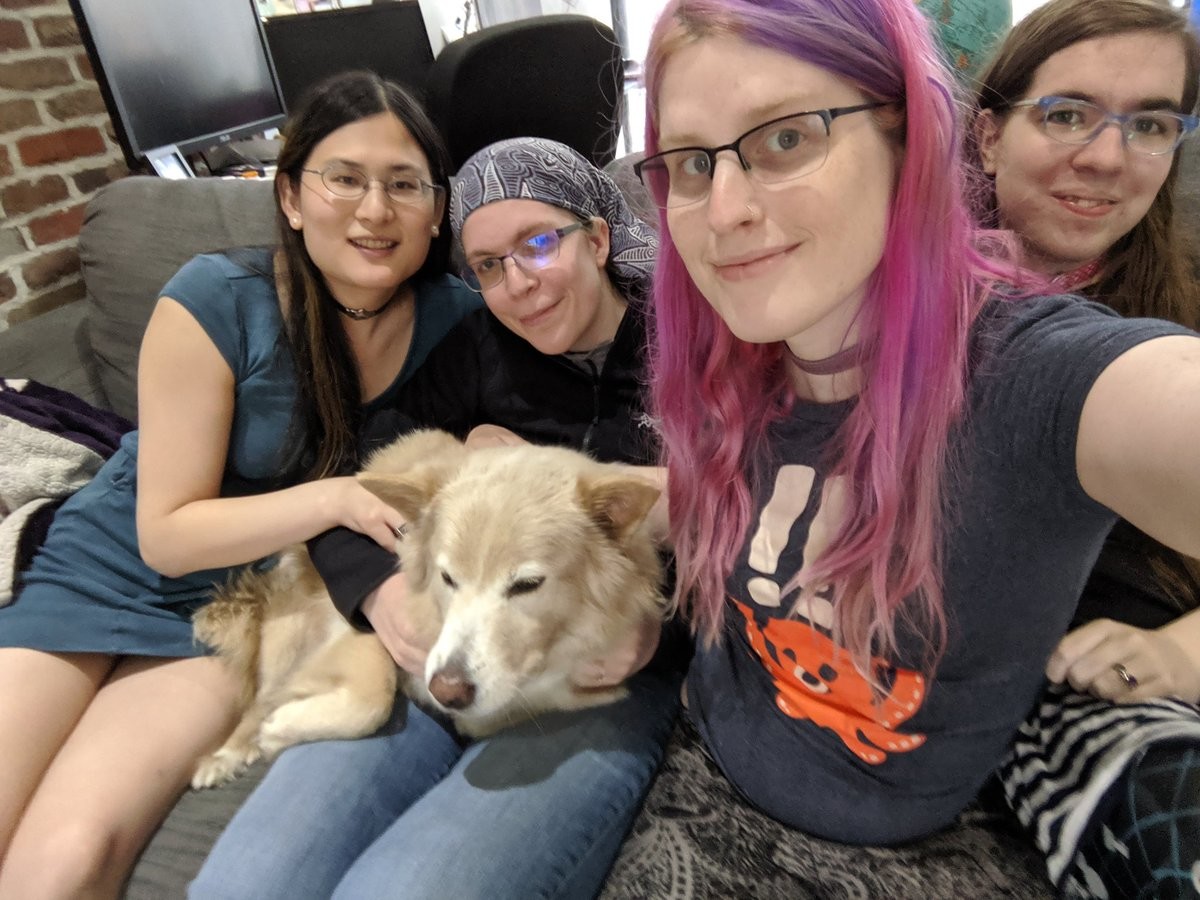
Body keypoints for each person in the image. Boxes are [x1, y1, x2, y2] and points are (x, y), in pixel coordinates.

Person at [632, 0, 1200, 866]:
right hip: (688, 755)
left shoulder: (1036, 373)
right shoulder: (734, 356)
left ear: (913, 139)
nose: (724, 210)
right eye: (691, 162)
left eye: (785, 138)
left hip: (876, 853)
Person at [0, 71, 479, 898]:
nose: (375, 209)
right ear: (290, 196)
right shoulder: (215, 298)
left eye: (405, 185)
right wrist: (334, 498)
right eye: (345, 178)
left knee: (68, 860)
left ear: (437, 210)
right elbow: (167, 532)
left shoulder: (459, 320)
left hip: (240, 602)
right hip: (113, 561)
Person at [190, 137, 684, 900]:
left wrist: (658, 633)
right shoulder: (479, 348)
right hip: (436, 647)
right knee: (247, 885)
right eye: (487, 265)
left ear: (598, 237)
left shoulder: (692, 344)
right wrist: (378, 595)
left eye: (539, 244)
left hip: (594, 684)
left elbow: (771, 537)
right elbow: (352, 472)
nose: (517, 283)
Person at [972, 1, 1200, 894]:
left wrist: (1186, 650)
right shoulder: (896, 311)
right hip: (1070, 702)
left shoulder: (1177, 324)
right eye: (1066, 113)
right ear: (988, 135)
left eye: (1149, 124)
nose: (1107, 158)